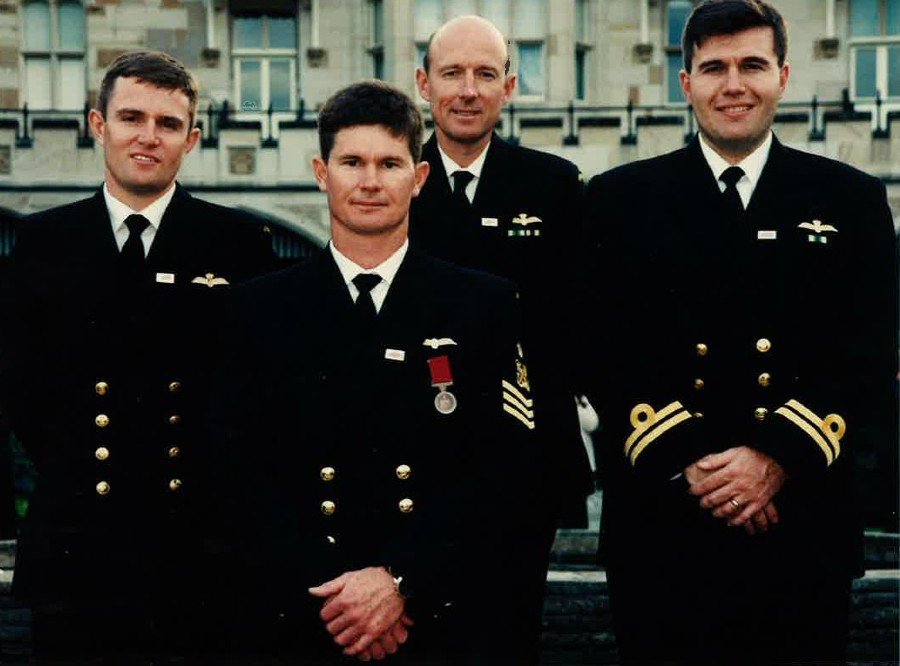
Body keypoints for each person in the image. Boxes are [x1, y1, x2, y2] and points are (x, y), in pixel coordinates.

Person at [579, 1, 899, 664]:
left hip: (801, 524)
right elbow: (599, 348)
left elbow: (868, 353)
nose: (733, 84)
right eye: (713, 67)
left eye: (751, 65)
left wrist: (774, 459)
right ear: (684, 81)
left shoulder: (849, 200)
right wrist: (694, 462)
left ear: (783, 76)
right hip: (664, 527)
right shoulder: (618, 201)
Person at [210, 79, 538, 665]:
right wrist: (342, 593)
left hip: (436, 618)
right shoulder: (255, 309)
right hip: (304, 615)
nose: (368, 181)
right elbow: (237, 472)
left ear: (419, 178)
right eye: (351, 162)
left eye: (389, 163)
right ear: (320, 171)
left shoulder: (481, 304)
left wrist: (400, 583)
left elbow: (505, 467)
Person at [0, 50, 277, 661]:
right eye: (131, 117)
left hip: (198, 548)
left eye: (168, 124)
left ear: (192, 138)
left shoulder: (237, 244)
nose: (148, 137)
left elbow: (255, 393)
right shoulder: (45, 243)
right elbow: (23, 389)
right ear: (97, 124)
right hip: (79, 543)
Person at [410, 15, 595, 660]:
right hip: (410, 452)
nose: (468, 90)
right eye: (452, 74)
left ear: (509, 87)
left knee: (507, 634)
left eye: (485, 74)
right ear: (422, 83)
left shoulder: (554, 186)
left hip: (523, 455)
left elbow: (576, 323)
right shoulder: (392, 181)